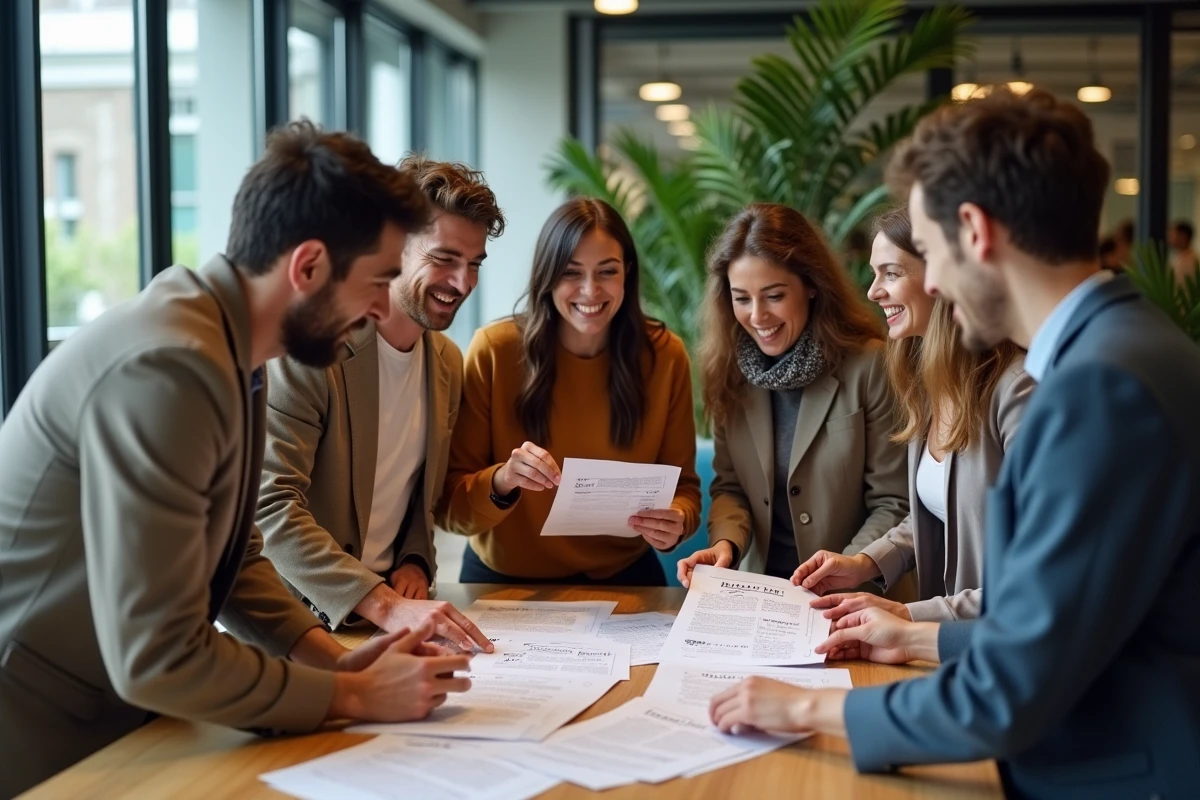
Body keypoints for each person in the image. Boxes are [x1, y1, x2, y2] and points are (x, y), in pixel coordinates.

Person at [707, 88, 1200, 799]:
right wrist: (906, 634)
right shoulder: (1128, 348)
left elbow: (1009, 688)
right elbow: (1042, 627)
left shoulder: (1100, 388)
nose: (930, 282)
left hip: (1104, 772)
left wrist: (804, 707)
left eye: (930, 254)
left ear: (975, 230)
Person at [0, 122, 474, 798]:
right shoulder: (172, 367)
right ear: (307, 267)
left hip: (117, 714)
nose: (379, 309)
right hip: (42, 735)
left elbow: (238, 556)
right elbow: (158, 654)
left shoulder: (229, 345)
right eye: (376, 282)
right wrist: (355, 698)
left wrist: (333, 666)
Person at [257, 157, 504, 652]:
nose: (463, 283)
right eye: (444, 259)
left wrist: (414, 559)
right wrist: (383, 603)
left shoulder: (447, 362)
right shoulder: (310, 348)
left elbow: (416, 493)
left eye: (474, 263)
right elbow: (270, 507)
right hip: (299, 623)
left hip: (392, 614)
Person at [440, 197, 701, 585]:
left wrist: (676, 520)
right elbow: (451, 508)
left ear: (627, 272)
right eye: (571, 273)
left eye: (607, 271)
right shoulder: (494, 351)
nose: (590, 290)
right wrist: (503, 480)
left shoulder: (665, 355)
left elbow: (685, 491)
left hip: (625, 576)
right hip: (505, 580)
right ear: (547, 276)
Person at [792, 206, 1034, 622]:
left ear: (942, 276)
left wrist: (906, 616)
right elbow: (944, 507)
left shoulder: (1017, 390)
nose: (872, 292)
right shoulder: (929, 383)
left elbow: (1032, 584)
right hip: (946, 644)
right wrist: (865, 563)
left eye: (891, 273)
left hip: (1003, 650)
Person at [676, 203, 908, 587]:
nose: (757, 316)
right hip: (758, 596)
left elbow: (894, 502)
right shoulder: (729, 371)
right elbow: (730, 488)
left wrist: (848, 567)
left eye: (774, 295)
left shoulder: (871, 366)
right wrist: (725, 545)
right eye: (741, 298)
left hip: (858, 595)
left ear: (812, 285)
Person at [1169, 219, 1198, 284]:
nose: (1169, 238)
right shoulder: (1177, 258)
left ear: (1182, 236)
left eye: (1172, 234)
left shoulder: (1192, 261)